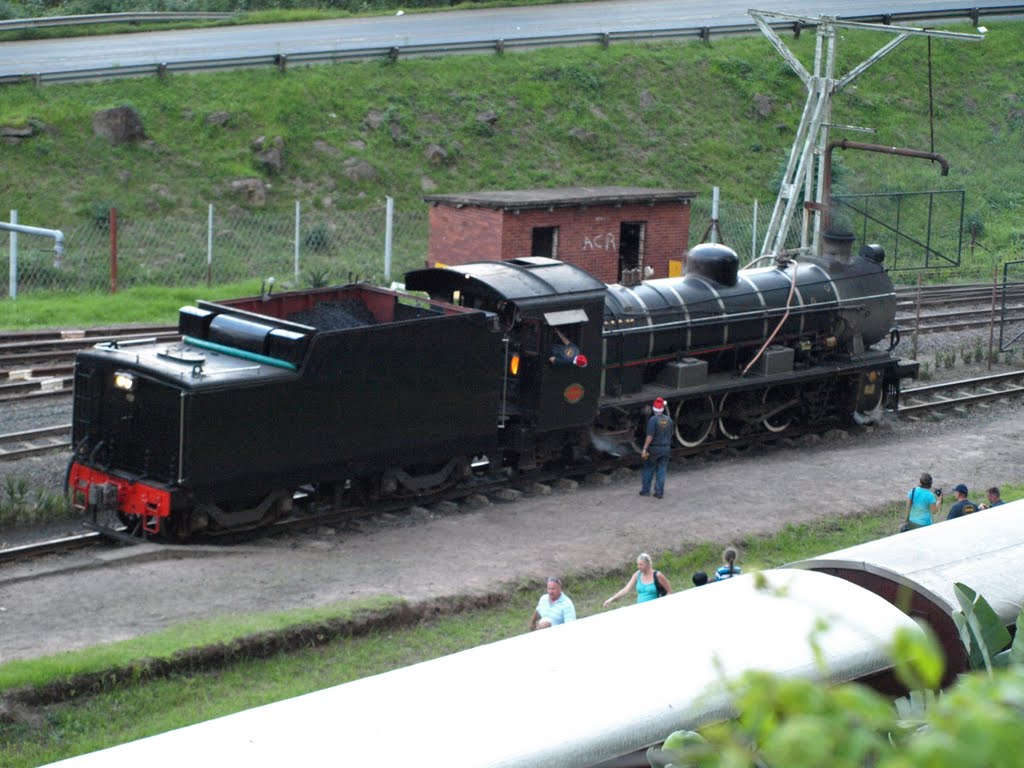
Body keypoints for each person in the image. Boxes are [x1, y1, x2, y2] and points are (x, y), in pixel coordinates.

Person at [603, 553, 672, 606]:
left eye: (641, 565)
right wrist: (612, 599)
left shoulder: (657, 575)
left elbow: (669, 592)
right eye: (638, 564)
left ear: (648, 564)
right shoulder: (637, 574)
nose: (638, 567)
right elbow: (625, 590)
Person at [639, 397, 674, 499]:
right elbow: (672, 433)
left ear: (654, 409)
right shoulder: (669, 420)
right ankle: (659, 492)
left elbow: (650, 436)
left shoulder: (652, 420)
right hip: (666, 448)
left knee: (649, 468)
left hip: (654, 449)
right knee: (662, 469)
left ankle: (645, 491)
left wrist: (645, 448)